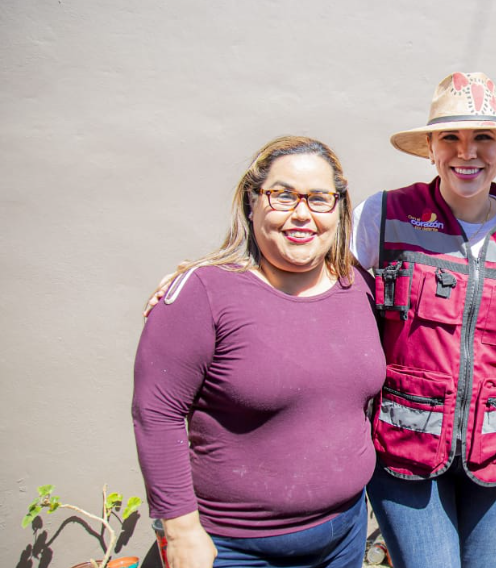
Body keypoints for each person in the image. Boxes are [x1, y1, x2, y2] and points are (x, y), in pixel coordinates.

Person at [132, 136, 386, 568]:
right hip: (234, 548)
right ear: (252, 201)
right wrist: (180, 529)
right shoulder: (204, 291)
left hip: (343, 534)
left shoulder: (357, 285)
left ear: (339, 208)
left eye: (319, 198)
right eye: (282, 195)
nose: (301, 213)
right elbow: (156, 413)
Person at [354, 72, 496, 568]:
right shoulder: (382, 217)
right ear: (430, 146)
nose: (466, 153)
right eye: (451, 137)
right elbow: (313, 277)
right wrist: (218, 271)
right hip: (403, 450)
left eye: (483, 138)